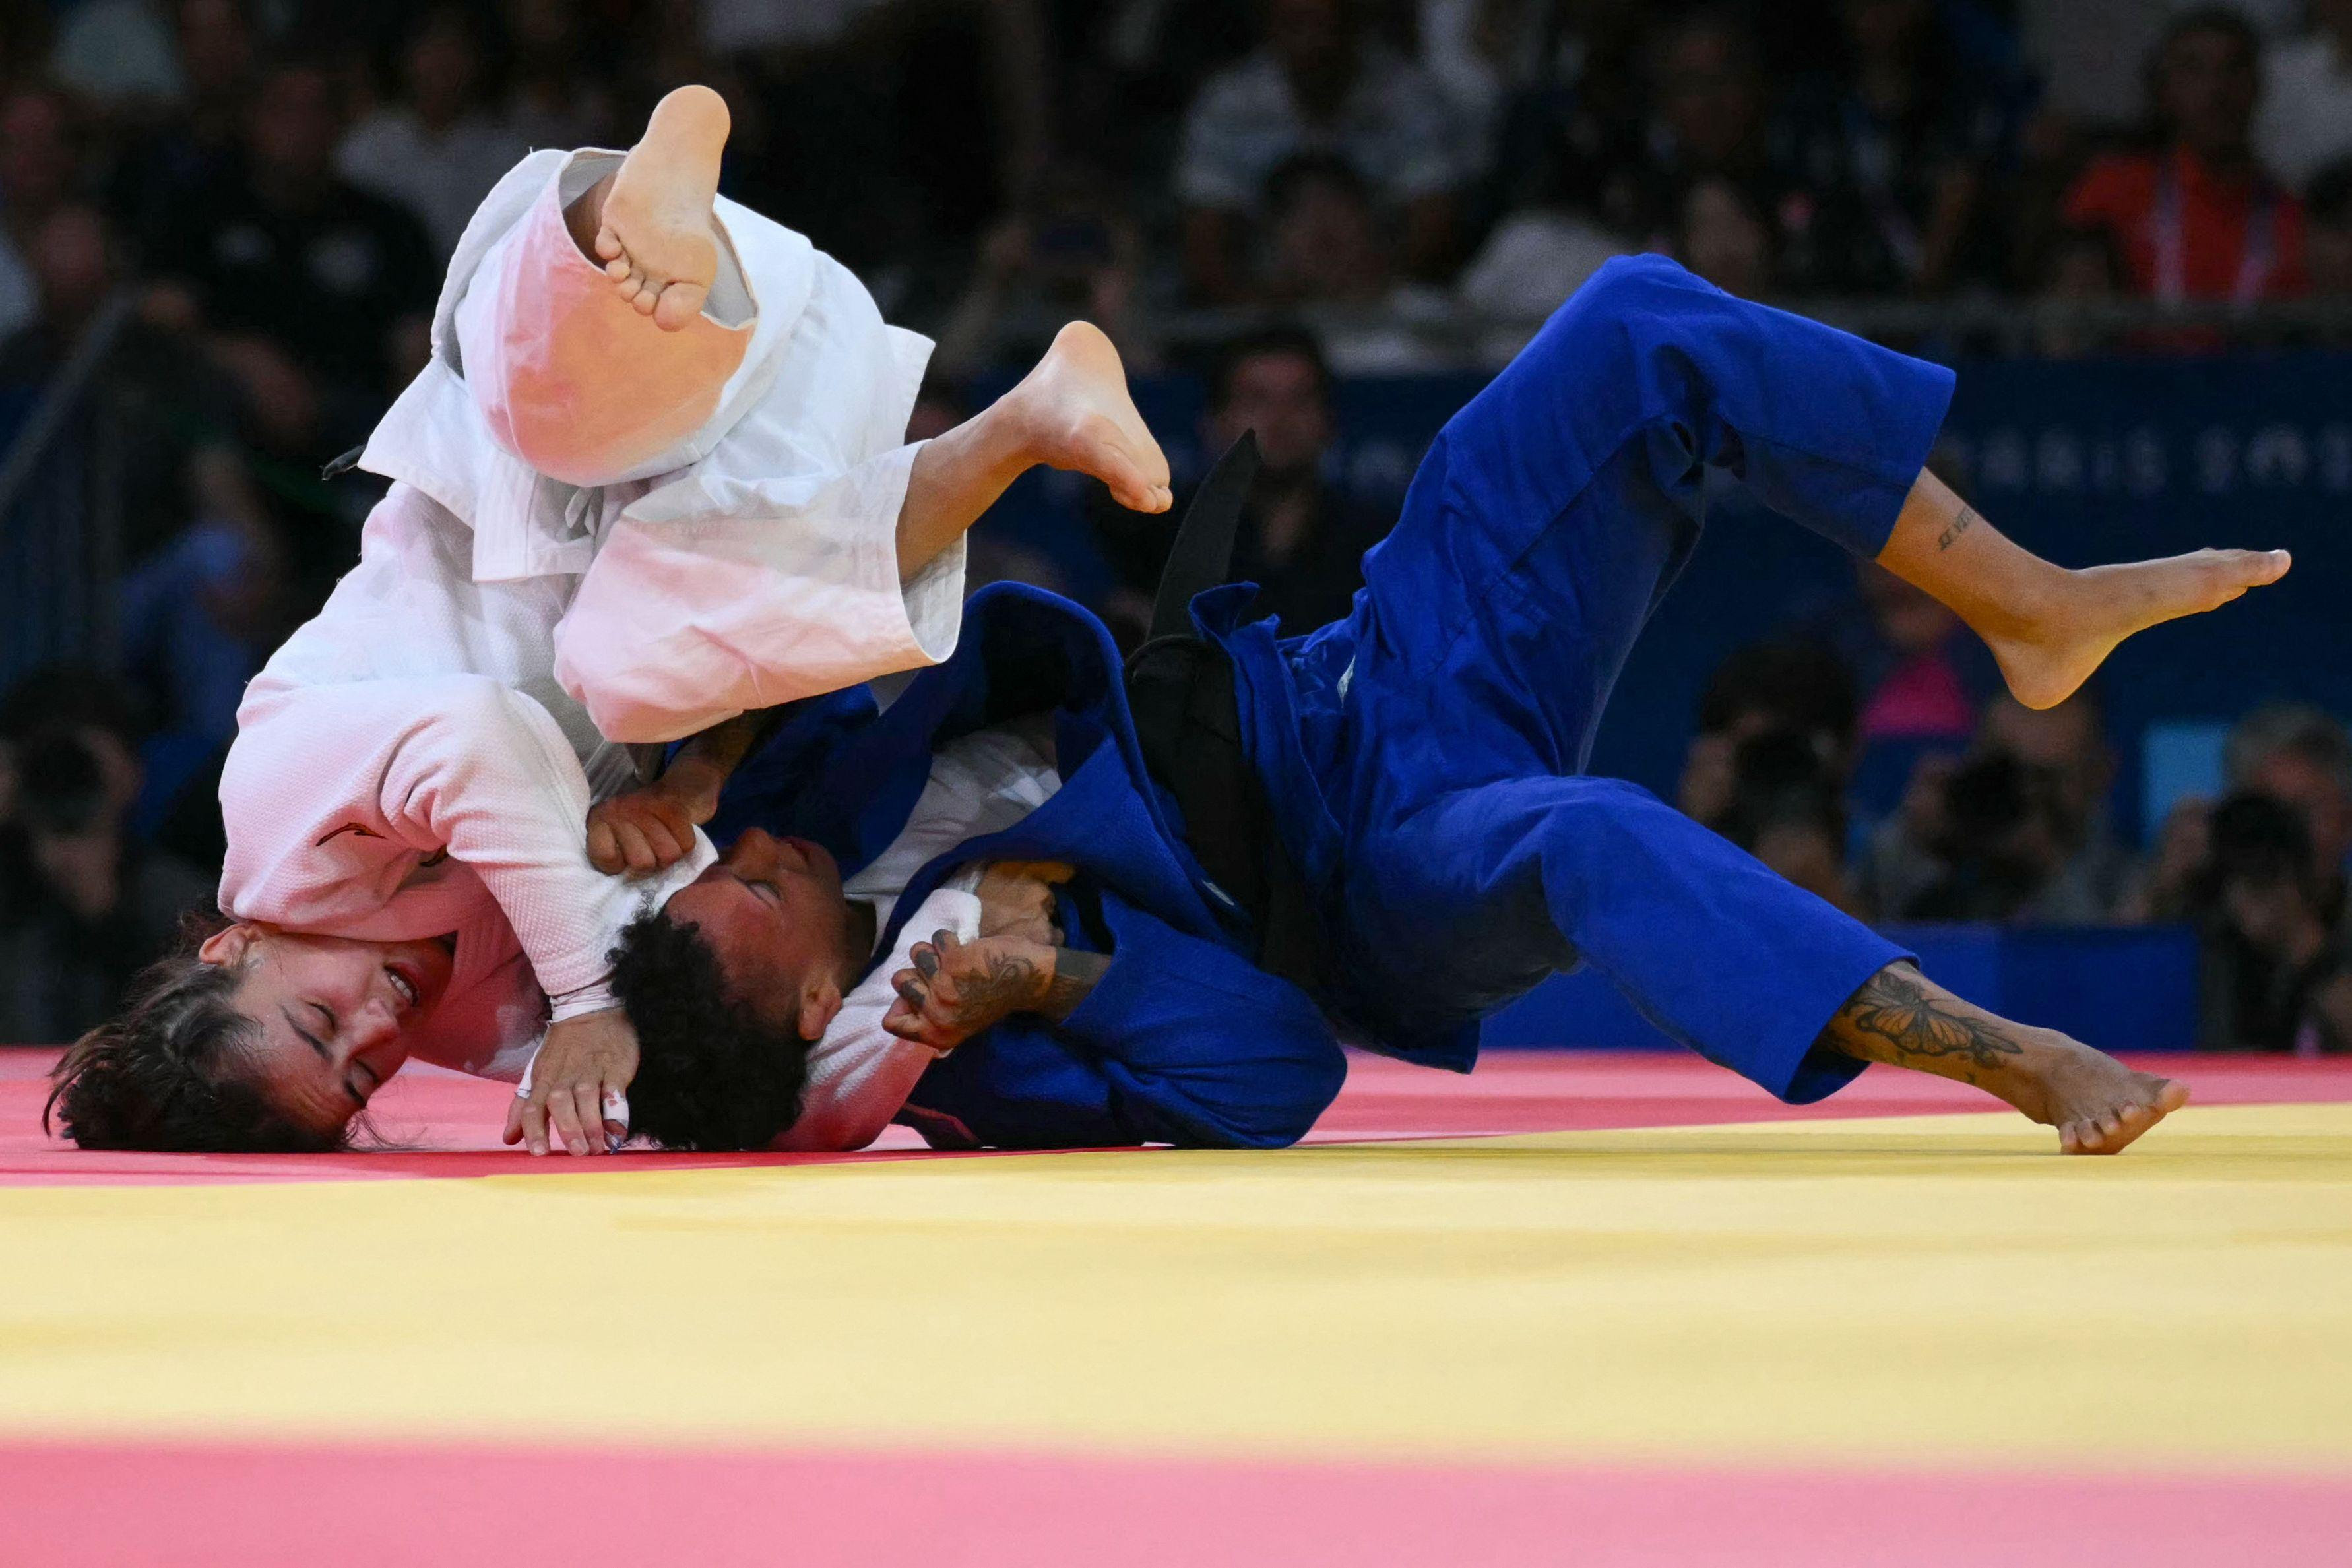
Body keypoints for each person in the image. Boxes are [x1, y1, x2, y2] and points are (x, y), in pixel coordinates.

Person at [608, 255, 2287, 1160]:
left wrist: (683, 761)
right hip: (1379, 877)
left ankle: (2025, 603)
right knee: (1587, 838)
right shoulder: (971, 1060)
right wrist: (1055, 978)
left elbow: (817, 625)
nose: (754, 850)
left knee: (1631, 328)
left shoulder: (806, 781)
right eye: (757, 892)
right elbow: (1281, 1069)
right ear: (820, 989)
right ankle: (2015, 1056)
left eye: (726, 865)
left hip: (1365, 670)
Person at [45, 86, 1171, 1158]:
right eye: (359, 1078)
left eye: (315, 1023)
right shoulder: (480, 1023)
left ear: (228, 945)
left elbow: (485, 743)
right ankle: (1032, 418)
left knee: (584, 516)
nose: (376, 1033)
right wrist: (950, 935)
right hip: (752, 439)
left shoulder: (275, 807)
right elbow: (767, 1095)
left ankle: (630, 197)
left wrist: (589, 996)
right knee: (653, 657)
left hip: (609, 357)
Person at [2062, 9, 2308, 309]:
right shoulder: (2111, 192)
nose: (2216, 89)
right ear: (2164, 90)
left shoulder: (2291, 217)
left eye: (2234, 68)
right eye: (2194, 69)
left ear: (2259, 87)